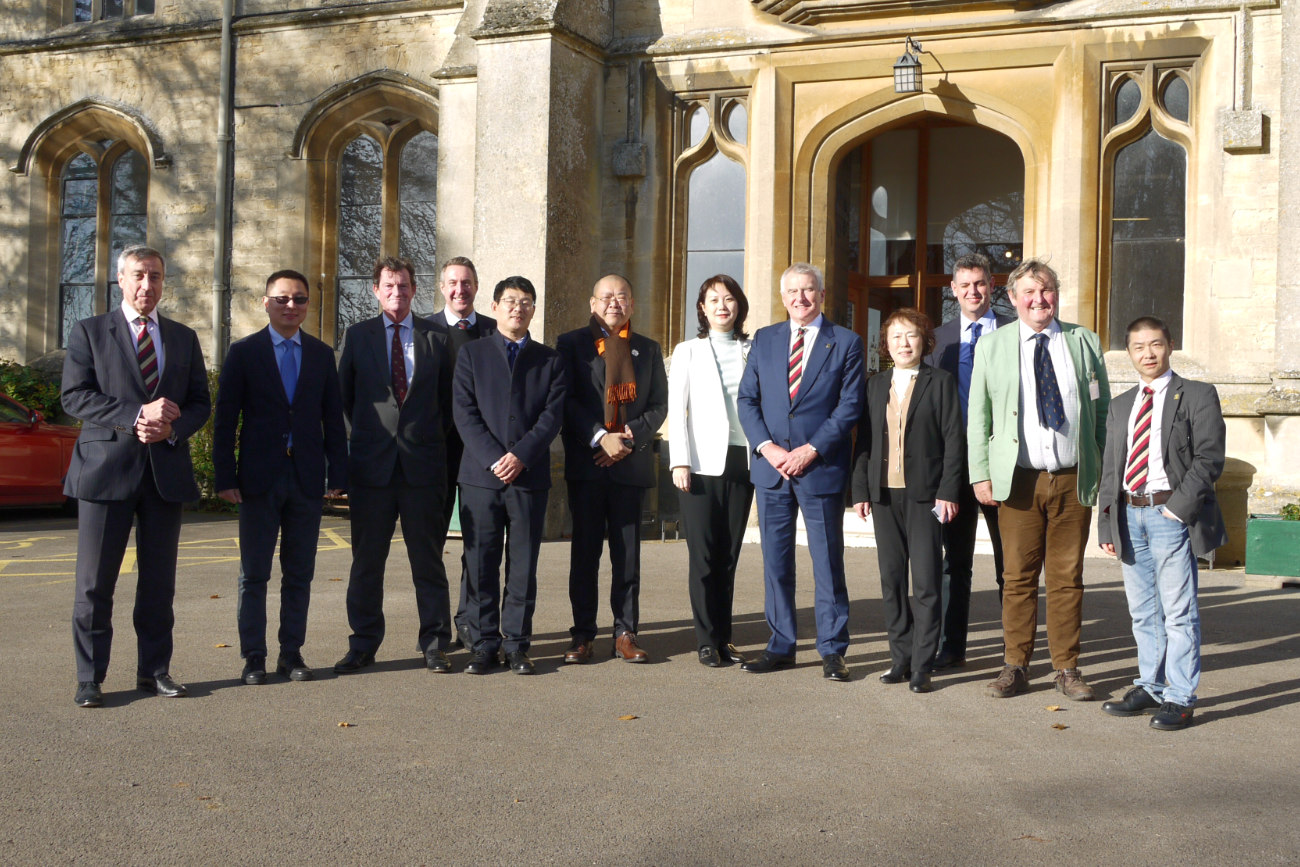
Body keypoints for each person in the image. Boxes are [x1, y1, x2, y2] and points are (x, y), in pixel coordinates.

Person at [62, 245, 211, 708]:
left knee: (158, 584)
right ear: (121, 280)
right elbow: (75, 396)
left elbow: (200, 403)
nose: (148, 285)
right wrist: (136, 414)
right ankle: (90, 677)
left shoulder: (183, 337)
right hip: (105, 472)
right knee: (95, 582)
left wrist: (172, 428)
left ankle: (155, 671)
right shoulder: (89, 331)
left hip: (164, 474)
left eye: (156, 276)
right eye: (139, 275)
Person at [968, 258, 1109, 701]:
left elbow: (1101, 410)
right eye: (1028, 292)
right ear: (1012, 298)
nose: (1038, 299)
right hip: (1019, 481)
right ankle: (1015, 666)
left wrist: (1103, 469)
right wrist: (980, 474)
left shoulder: (1083, 341)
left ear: (1057, 295)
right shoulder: (992, 346)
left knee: (1067, 578)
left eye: (1045, 290)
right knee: (1018, 578)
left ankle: (1067, 668)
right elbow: (978, 416)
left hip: (1072, 479)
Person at [213, 269, 348, 685]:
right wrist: (224, 477)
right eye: (282, 299)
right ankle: (253, 657)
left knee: (300, 573)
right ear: (265, 302)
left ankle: (291, 653)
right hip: (258, 479)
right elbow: (226, 420)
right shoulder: (244, 352)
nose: (291, 306)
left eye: (300, 299)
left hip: (305, 478)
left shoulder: (321, 355)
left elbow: (333, 419)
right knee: (254, 574)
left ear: (308, 305)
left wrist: (338, 472)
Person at [737, 262, 865, 682]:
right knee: (776, 562)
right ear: (783, 296)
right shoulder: (765, 339)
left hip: (819, 468)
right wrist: (768, 447)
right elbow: (747, 399)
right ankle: (781, 645)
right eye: (792, 291)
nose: (800, 298)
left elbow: (849, 406)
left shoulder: (845, 342)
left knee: (827, 562)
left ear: (822, 295)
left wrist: (810, 450)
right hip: (772, 469)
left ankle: (833, 650)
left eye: (808, 290)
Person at [1097, 316, 1227, 731]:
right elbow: (1110, 469)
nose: (1148, 353)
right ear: (1129, 353)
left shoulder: (1198, 395)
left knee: (1178, 612)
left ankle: (1180, 697)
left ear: (1170, 345)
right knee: (1143, 612)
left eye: (1155, 344)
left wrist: (1177, 509)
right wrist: (1107, 525)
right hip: (1129, 515)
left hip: (1171, 515)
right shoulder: (1121, 404)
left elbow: (1209, 457)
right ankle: (1151, 686)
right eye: (1139, 347)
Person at [334, 256, 456, 675]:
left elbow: (448, 402)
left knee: (428, 562)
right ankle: (363, 644)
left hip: (423, 469)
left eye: (403, 286)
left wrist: (426, 439)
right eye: (388, 286)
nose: (396, 293)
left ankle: (435, 644)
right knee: (367, 564)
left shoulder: (438, 337)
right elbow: (344, 400)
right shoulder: (358, 335)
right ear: (376, 290)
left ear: (414, 290)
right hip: (372, 470)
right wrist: (363, 441)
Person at [452, 276, 567, 675]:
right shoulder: (472, 354)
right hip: (481, 478)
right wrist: (495, 458)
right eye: (511, 301)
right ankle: (484, 643)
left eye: (526, 302)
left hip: (528, 477)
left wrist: (520, 456)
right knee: (480, 563)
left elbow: (551, 417)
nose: (518, 308)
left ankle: (517, 644)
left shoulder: (549, 360)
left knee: (522, 565)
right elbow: (464, 412)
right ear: (495, 307)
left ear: (533, 309)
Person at [557, 275, 668, 663]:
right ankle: (582, 634)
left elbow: (658, 405)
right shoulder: (571, 344)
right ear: (593, 303)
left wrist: (625, 439)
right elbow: (566, 400)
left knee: (627, 556)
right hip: (588, 463)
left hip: (629, 465)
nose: (614, 303)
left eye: (622, 297)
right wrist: (600, 437)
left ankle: (625, 633)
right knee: (585, 555)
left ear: (632, 304)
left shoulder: (648, 349)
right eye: (606, 297)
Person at [851, 309, 963, 693]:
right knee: (892, 580)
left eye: (911, 335)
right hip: (883, 496)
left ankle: (922, 664)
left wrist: (948, 490)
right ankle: (899, 658)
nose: (904, 343)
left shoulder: (941, 382)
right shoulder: (875, 385)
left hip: (925, 496)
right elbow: (864, 442)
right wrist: (860, 491)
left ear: (924, 341)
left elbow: (954, 439)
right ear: (886, 344)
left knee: (927, 582)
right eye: (896, 336)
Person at [925, 254, 1014, 671]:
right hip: (954, 467)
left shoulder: (1015, 332)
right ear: (953, 290)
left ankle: (1015, 650)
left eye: (979, 284)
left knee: (1010, 565)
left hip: (1003, 464)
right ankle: (952, 647)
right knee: (955, 563)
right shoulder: (937, 340)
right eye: (964, 285)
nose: (973, 292)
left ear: (992, 286)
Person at [668, 274, 755, 668]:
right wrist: (679, 460)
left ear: (739, 306)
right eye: (714, 299)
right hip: (700, 466)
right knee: (703, 555)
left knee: (728, 556)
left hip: (744, 461)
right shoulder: (688, 351)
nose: (723, 305)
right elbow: (677, 409)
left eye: (729, 298)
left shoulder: (752, 350)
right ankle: (706, 641)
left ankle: (725, 638)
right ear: (702, 308)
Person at [428, 257, 497, 650]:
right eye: (453, 282)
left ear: (476, 287)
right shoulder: (423, 330)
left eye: (467, 282)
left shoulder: (493, 331)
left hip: (479, 455)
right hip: (435, 454)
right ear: (442, 287)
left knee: (477, 545)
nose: (460, 289)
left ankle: (469, 623)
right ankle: (436, 629)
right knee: (432, 544)